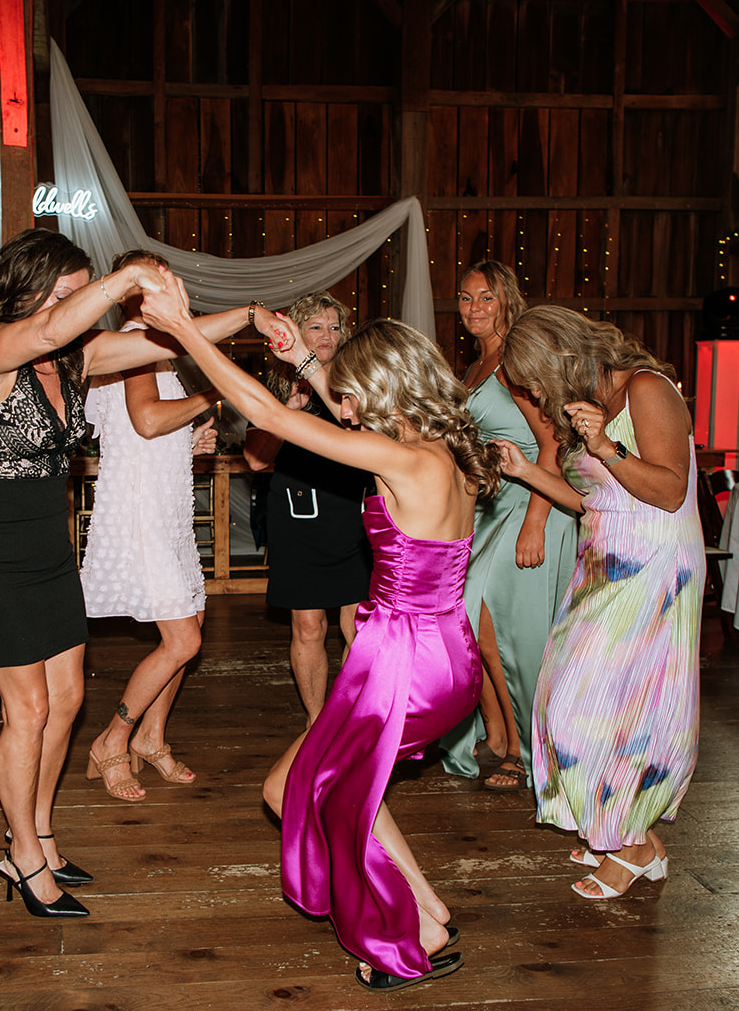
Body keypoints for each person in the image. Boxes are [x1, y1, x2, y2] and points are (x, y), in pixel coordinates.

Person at [142, 285, 491, 991]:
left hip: (402, 663)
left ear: (384, 391)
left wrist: (183, 329)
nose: (347, 408)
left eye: (357, 396)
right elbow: (337, 413)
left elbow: (268, 416)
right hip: (438, 651)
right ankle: (429, 911)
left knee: (311, 793)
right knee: (302, 785)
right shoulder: (439, 451)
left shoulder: (404, 461)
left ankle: (396, 942)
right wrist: (302, 355)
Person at [0, 228, 286, 920]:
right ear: (36, 288)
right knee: (29, 709)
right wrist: (129, 277)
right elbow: (49, 325)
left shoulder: (74, 361)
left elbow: (166, 342)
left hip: (48, 550)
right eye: (72, 293)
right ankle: (20, 853)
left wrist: (250, 317)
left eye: (85, 293)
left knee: (68, 698)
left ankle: (41, 831)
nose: (85, 309)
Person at [495, 305, 702, 900]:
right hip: (603, 559)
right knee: (568, 701)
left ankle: (630, 844)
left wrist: (605, 444)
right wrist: (525, 471)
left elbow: (669, 490)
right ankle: (631, 835)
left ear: (562, 357)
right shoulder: (584, 408)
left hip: (655, 567)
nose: (535, 394)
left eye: (534, 381)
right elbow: (591, 502)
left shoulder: (645, 387)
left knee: (620, 708)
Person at [80, 250, 221, 802]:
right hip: (140, 510)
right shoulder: (138, 343)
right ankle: (112, 740)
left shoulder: (157, 350)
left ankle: (152, 738)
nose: (171, 287)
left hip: (166, 504)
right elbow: (144, 420)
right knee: (182, 639)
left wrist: (192, 441)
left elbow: (150, 432)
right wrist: (213, 394)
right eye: (158, 280)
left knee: (191, 629)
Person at [436, 261, 576, 793]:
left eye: (486, 298)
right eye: (466, 298)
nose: (474, 309)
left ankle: (524, 746)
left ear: (506, 301)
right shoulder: (474, 367)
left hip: (530, 502)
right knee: (468, 624)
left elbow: (555, 441)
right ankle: (496, 732)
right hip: (492, 505)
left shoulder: (516, 361)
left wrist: (536, 522)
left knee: (506, 632)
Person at [243, 293, 372, 725]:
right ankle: (317, 722)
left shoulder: (359, 384)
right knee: (309, 627)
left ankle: (355, 715)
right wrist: (285, 414)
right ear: (296, 332)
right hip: (298, 518)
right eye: (316, 326)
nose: (328, 335)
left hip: (354, 516)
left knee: (357, 628)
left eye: (335, 326)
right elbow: (256, 461)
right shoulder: (276, 387)